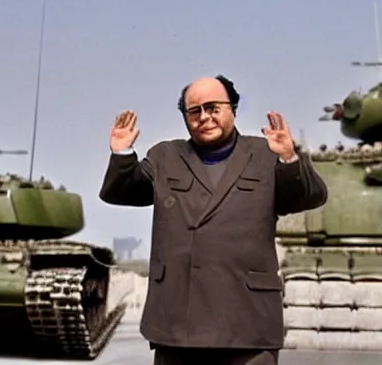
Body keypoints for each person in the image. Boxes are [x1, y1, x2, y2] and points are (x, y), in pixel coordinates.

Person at [98, 75, 328, 365]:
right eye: (194, 111)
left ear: (232, 108)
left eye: (213, 107)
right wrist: (122, 153)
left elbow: (309, 198)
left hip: (248, 322)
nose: (204, 117)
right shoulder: (165, 156)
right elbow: (121, 192)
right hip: (178, 323)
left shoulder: (265, 153)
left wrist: (289, 159)